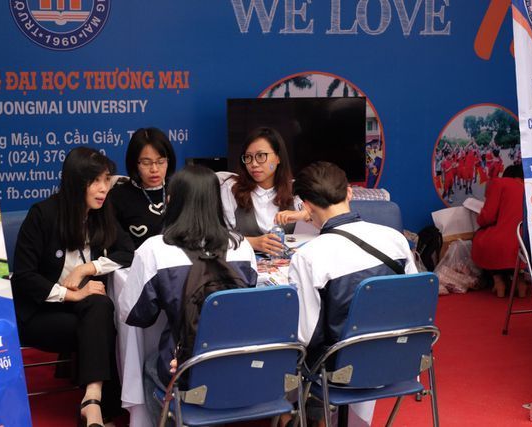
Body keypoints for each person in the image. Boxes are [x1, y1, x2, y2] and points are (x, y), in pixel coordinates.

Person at [118, 165, 257, 425]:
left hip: (186, 370)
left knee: (150, 364)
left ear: (172, 200)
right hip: (239, 364)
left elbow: (134, 315)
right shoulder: (242, 246)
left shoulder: (154, 249)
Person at [11, 147, 134, 427]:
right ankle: (99, 409)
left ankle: (92, 400)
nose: (104, 188)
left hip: (86, 310)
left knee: (100, 305)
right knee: (101, 325)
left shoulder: (101, 212)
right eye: (96, 181)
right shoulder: (43, 214)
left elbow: (128, 252)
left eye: (106, 180)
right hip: (40, 312)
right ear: (77, 183)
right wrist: (70, 294)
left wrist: (86, 269)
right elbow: (24, 277)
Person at [287, 161, 417, 426]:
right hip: (402, 359)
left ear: (306, 206)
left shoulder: (308, 257)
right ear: (349, 192)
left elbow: (305, 335)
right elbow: (413, 300)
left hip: (341, 372)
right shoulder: (395, 239)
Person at [221, 127, 307, 256]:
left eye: (261, 156)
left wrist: (303, 215)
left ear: (278, 158)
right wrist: (252, 242)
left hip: (286, 263)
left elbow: (322, 218)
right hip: (244, 262)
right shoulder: (231, 189)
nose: (254, 164)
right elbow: (217, 236)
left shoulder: (295, 189)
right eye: (248, 157)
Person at [110, 127, 176, 248]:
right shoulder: (117, 197)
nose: (154, 169)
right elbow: (119, 249)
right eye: (146, 163)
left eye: (161, 162)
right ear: (134, 163)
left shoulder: (180, 190)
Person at [472, 164, 526, 298]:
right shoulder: (530, 187)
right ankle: (520, 282)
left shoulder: (500, 183)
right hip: (527, 243)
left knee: (480, 238)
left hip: (505, 241)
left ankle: (498, 281)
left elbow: (487, 217)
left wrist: (480, 218)